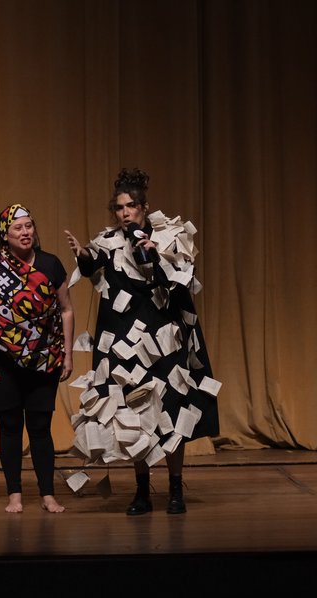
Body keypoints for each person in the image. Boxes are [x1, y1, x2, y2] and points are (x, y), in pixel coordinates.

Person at [64, 168, 221, 515]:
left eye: (131, 206)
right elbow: (94, 263)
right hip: (125, 343)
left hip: (166, 339)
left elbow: (184, 279)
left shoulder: (170, 236)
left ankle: (176, 488)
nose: (125, 213)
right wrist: (84, 256)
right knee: (135, 415)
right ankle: (141, 491)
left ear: (144, 208)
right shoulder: (107, 241)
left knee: (172, 411)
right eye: (119, 207)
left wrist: (157, 253)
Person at [0, 204, 75, 513]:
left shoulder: (51, 264)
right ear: (5, 234)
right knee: (10, 427)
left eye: (29, 226)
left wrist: (66, 354)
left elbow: (66, 309)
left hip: (45, 359)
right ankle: (14, 494)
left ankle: (47, 494)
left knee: (40, 428)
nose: (25, 232)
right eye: (18, 228)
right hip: (2, 362)